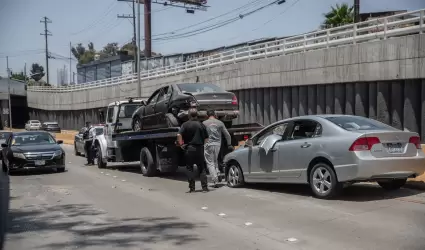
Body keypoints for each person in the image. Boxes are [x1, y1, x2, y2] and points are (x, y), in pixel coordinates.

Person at [177, 108, 209, 193]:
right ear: (197, 115)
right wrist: (203, 145)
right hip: (199, 148)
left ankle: (192, 188)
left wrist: (181, 145)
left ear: (189, 115)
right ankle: (205, 188)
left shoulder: (185, 125)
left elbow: (179, 134)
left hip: (189, 148)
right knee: (201, 168)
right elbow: (206, 138)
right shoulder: (201, 125)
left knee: (189, 168)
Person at [203, 110, 233, 188]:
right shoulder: (220, 123)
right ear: (215, 115)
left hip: (208, 144)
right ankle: (218, 173)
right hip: (217, 144)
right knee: (215, 159)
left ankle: (215, 180)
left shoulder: (204, 123)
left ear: (207, 115)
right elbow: (227, 135)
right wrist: (229, 144)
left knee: (210, 162)